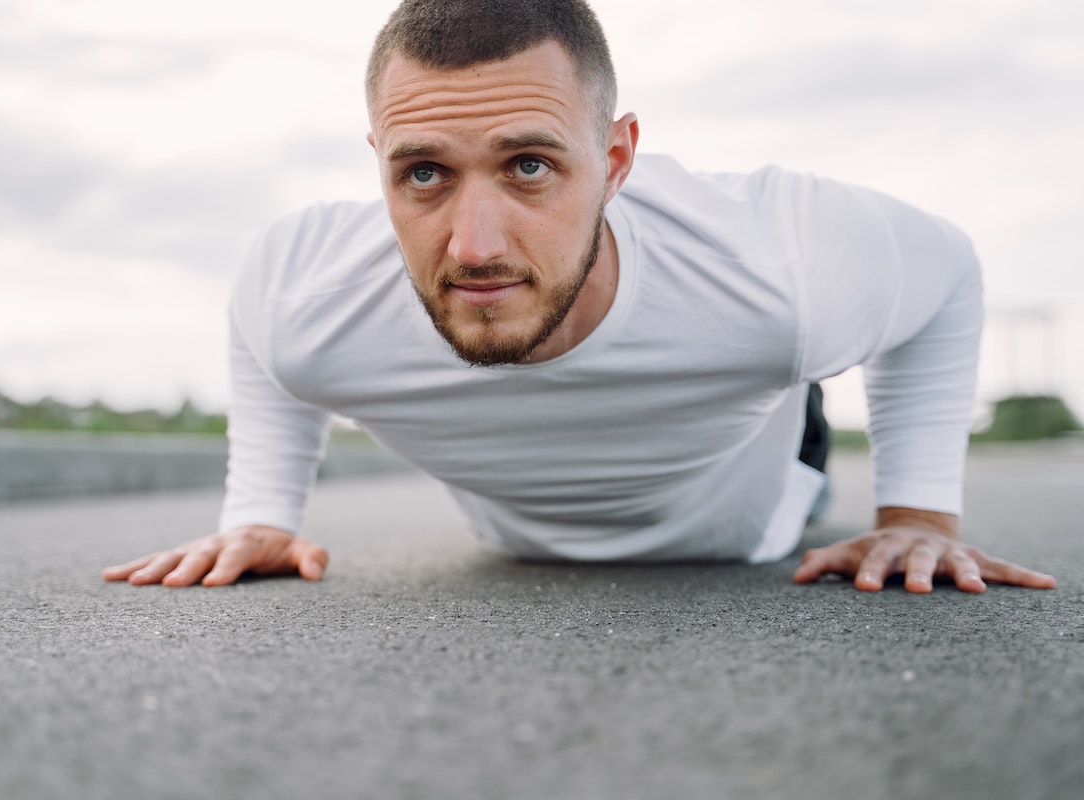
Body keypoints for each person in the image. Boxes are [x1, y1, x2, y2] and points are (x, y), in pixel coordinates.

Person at [104, 0, 1055, 594]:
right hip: (523, 536)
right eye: (424, 173)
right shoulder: (308, 293)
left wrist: (918, 517)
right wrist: (263, 511)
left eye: (528, 165)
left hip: (752, 493)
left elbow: (948, 277)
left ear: (614, 159)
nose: (473, 247)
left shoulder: (783, 264)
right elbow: (262, 335)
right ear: (380, 167)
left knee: (772, 351)